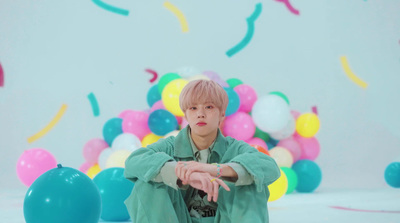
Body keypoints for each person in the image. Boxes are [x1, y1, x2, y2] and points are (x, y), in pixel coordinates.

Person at [124, 79, 281, 223]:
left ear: (222, 114)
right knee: (149, 182)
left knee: (250, 181)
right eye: (193, 108)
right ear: (186, 114)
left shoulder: (234, 148)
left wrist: (215, 169)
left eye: (209, 107)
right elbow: (134, 162)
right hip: (178, 218)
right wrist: (184, 174)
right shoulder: (170, 146)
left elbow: (270, 167)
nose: (200, 114)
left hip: (224, 219)